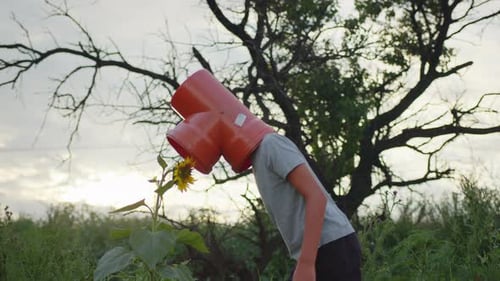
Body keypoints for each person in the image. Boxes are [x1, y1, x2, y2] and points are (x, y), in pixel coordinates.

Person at [251, 133, 362, 281]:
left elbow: (316, 197)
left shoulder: (271, 144)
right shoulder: (258, 159)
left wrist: (306, 263)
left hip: (331, 247)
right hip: (317, 250)